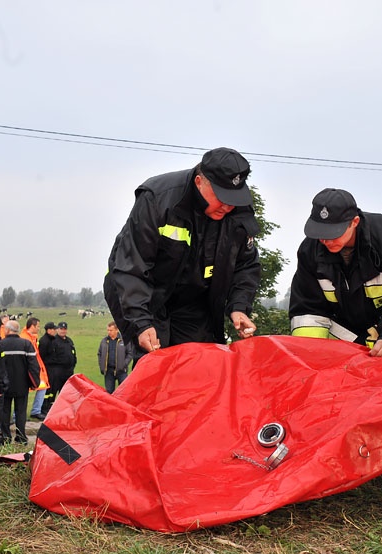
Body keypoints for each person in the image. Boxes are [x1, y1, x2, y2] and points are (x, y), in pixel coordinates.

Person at [103, 147, 262, 362]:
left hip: (192, 298)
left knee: (201, 361)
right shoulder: (156, 199)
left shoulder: (239, 211)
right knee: (156, 360)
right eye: (221, 197)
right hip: (143, 292)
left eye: (233, 198)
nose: (227, 206)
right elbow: (132, 266)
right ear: (199, 181)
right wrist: (141, 323)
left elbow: (246, 265)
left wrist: (239, 307)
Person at [289, 188, 382, 365]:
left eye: (333, 233)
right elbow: (308, 312)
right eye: (320, 232)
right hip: (347, 350)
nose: (325, 240)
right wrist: (312, 356)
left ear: (354, 222)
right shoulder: (309, 251)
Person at [0, 320, 39, 444]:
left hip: (5, 384)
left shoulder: (0, 344)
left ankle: (5, 436)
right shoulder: (26, 344)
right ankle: (21, 437)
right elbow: (34, 365)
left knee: (5, 411)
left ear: (7, 330)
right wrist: (34, 382)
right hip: (22, 384)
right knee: (21, 411)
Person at [20, 317, 49, 420]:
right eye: (37, 326)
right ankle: (18, 415)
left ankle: (36, 411)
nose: (38, 328)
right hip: (30, 369)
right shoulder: (25, 338)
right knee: (24, 392)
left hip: (36, 368)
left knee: (42, 387)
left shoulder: (31, 337)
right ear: (32, 326)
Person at [97, 322, 133, 393]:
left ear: (117, 330)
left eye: (111, 330)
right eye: (108, 330)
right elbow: (99, 353)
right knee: (109, 392)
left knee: (123, 392)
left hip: (121, 371)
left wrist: (124, 364)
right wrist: (101, 365)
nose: (109, 332)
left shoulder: (124, 340)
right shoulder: (104, 341)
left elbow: (130, 353)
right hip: (109, 371)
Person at [46, 322, 76, 400]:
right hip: (57, 372)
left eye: (65, 329)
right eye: (61, 329)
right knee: (53, 392)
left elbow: (73, 353)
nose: (63, 331)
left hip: (68, 372)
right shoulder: (53, 341)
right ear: (57, 329)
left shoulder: (69, 340)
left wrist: (73, 363)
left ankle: (65, 409)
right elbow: (49, 357)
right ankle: (48, 408)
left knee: (66, 392)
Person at [35, 322, 57, 418]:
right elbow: (42, 356)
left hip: (51, 368)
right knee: (45, 390)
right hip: (46, 368)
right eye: (54, 329)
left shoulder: (52, 340)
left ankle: (47, 407)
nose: (55, 331)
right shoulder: (44, 341)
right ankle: (43, 408)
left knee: (51, 389)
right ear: (49, 330)